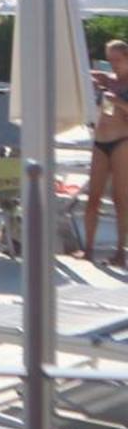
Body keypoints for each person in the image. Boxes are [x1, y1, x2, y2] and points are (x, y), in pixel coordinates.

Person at [84, 40, 128, 266]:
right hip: (100, 141)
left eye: (117, 60)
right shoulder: (108, 80)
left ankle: (121, 250)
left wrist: (118, 101)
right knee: (93, 197)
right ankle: (88, 247)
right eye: (110, 61)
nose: (114, 65)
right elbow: (84, 71)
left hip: (122, 141)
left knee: (121, 199)